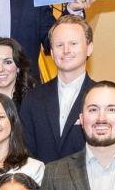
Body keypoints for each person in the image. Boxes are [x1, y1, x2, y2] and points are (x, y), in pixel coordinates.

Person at [19, 17, 95, 164]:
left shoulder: (103, 98)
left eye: (73, 43)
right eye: (59, 45)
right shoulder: (33, 98)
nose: (66, 50)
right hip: (40, 184)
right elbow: (24, 152)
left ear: (89, 48)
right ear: (52, 53)